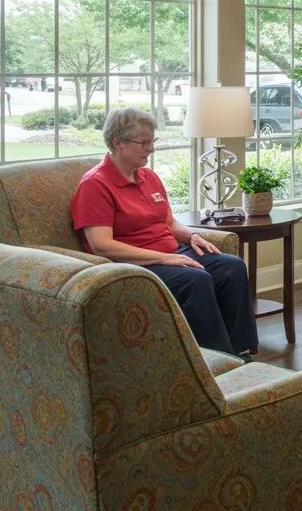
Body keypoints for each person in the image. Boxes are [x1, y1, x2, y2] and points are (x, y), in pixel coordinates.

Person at [70, 106, 258, 358]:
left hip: (171, 253)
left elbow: (169, 223)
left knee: (231, 267)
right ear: (118, 143)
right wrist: (166, 258)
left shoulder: (148, 177)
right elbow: (101, 245)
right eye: (144, 142)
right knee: (196, 280)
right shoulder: (95, 184)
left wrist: (191, 236)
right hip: (135, 263)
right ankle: (215, 362)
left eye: (152, 141)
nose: (151, 148)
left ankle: (241, 353)